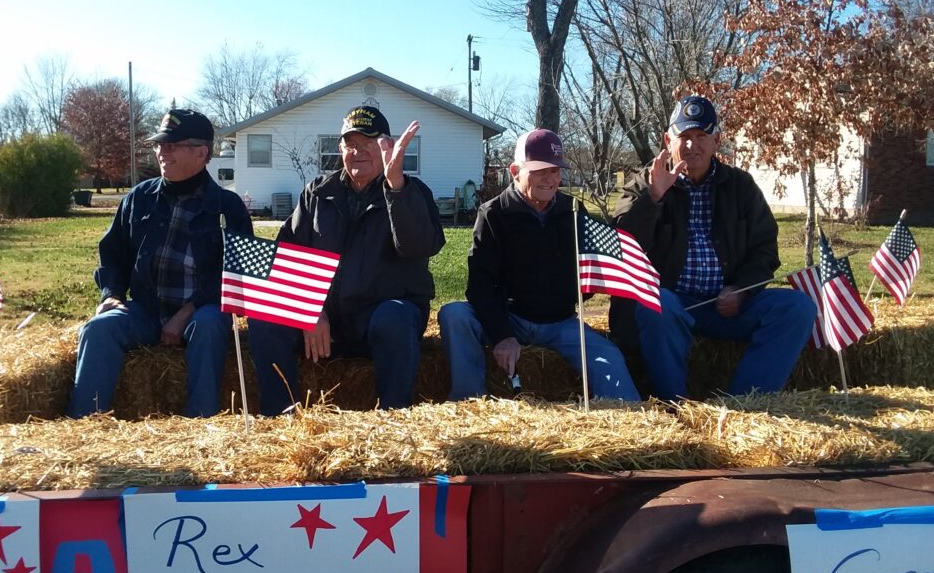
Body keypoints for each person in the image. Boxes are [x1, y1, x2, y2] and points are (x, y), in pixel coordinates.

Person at [611, 95, 817, 401]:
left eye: (701, 136)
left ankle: (743, 404)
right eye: (684, 137)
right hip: (671, 306)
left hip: (728, 304)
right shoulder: (644, 183)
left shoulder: (740, 186)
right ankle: (675, 407)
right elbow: (620, 246)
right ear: (669, 140)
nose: (693, 145)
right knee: (657, 302)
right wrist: (654, 197)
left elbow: (764, 249)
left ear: (717, 140)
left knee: (797, 308)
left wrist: (742, 289)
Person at [246, 105, 446, 416]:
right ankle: (280, 417)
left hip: (380, 318)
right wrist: (310, 309)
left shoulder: (412, 192)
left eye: (368, 144)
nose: (358, 152)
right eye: (350, 144)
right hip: (326, 321)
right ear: (339, 148)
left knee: (395, 318)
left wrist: (396, 187)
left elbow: (420, 247)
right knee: (264, 314)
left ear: (387, 147)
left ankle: (394, 418)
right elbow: (287, 256)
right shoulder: (317, 193)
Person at [68, 109, 252, 418]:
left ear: (201, 153)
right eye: (159, 145)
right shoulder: (139, 197)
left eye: (172, 145)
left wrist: (186, 313)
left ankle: (201, 423)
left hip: (200, 311)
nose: (161, 152)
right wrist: (111, 293)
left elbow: (238, 275)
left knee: (209, 326)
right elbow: (112, 252)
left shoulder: (226, 206)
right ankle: (83, 424)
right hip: (146, 310)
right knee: (97, 330)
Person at [439, 129, 640, 402]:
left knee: (609, 357)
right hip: (512, 318)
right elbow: (481, 284)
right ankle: (469, 401)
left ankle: (629, 425)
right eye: (539, 171)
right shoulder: (494, 214)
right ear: (515, 171)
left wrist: (584, 288)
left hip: (561, 323)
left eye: (556, 171)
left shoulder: (572, 210)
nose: (550, 179)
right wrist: (501, 335)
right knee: (455, 315)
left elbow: (588, 271)